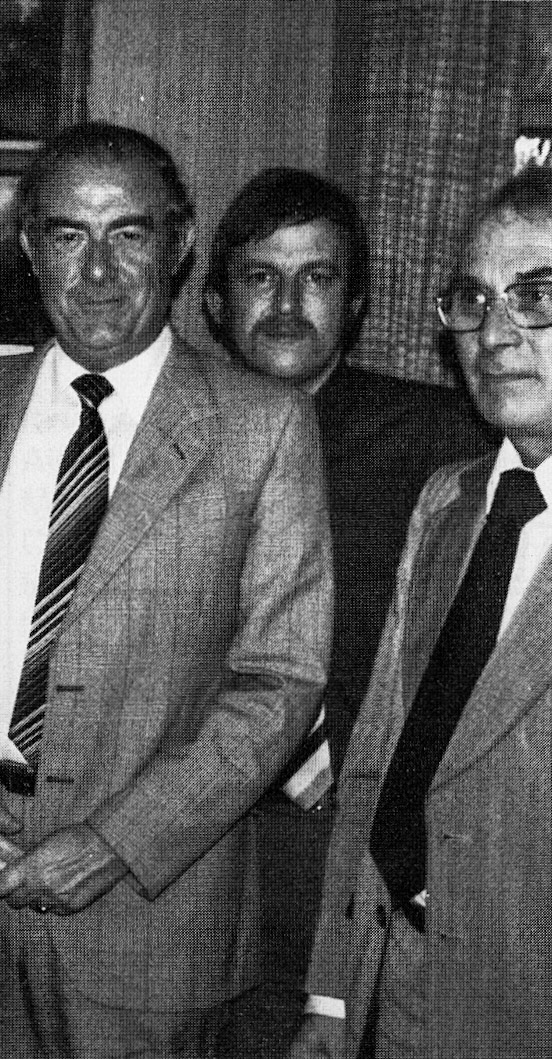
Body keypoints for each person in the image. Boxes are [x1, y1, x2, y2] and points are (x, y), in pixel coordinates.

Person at [0, 122, 332, 1058]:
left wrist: (118, 840)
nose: (100, 270)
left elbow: (280, 681)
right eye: (70, 236)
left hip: (147, 927)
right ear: (31, 249)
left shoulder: (263, 430)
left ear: (181, 241)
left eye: (129, 233)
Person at [202, 169, 494, 1040]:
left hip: (356, 845)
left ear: (357, 302)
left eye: (318, 277)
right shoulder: (169, 436)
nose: (288, 304)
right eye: (261, 277)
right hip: (193, 851)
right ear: (215, 302)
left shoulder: (446, 439)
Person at [294, 169, 552, 1059]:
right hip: (388, 985)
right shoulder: (449, 501)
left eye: (539, 296)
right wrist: (330, 995)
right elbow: (372, 763)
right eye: (475, 299)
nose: (497, 332)